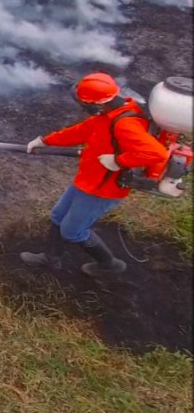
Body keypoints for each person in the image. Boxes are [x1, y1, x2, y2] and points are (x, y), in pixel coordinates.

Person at [21, 72, 168, 276]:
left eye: (84, 104)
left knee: (72, 231)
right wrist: (45, 140)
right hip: (88, 178)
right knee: (58, 215)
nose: (83, 108)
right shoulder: (111, 113)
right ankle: (51, 259)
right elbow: (82, 131)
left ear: (96, 105)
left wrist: (118, 161)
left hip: (103, 189)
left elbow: (157, 153)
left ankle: (109, 264)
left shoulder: (124, 124)